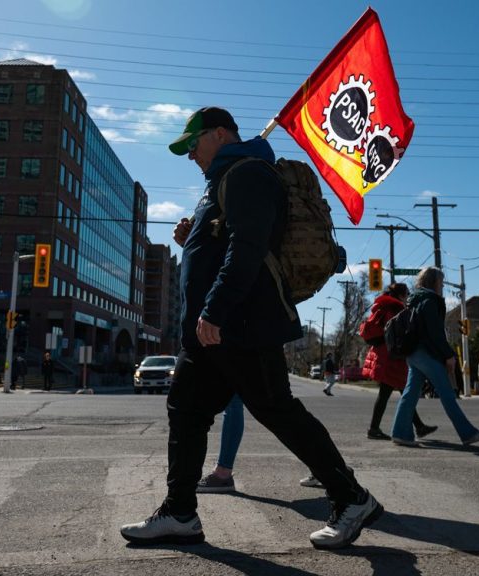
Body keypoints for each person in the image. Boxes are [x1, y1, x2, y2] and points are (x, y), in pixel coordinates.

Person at [120, 106, 382, 550]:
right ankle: (180, 512)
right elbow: (227, 242)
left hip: (238, 324)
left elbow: (248, 246)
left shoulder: (247, 173)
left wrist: (216, 310)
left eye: (192, 145)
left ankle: (351, 498)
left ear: (220, 134)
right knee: (186, 410)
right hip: (211, 332)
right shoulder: (221, 181)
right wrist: (194, 241)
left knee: (277, 410)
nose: (189, 156)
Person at [390, 267, 479, 447]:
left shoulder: (414, 300)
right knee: (446, 393)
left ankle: (401, 432)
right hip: (425, 354)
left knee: (410, 394)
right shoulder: (429, 301)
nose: (442, 285)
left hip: (412, 353)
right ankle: (467, 433)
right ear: (433, 282)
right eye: (441, 282)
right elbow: (435, 334)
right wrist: (448, 355)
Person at [362, 283, 438, 440]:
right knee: (396, 392)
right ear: (402, 295)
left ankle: (419, 426)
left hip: (383, 354)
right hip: (391, 357)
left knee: (402, 390)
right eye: (407, 293)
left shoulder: (382, 306)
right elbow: (398, 333)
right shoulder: (395, 308)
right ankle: (374, 429)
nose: (409, 296)